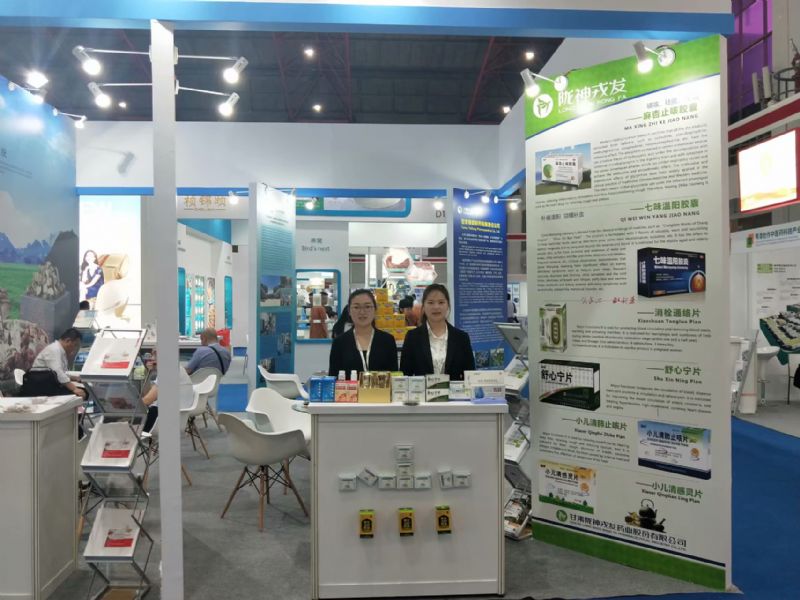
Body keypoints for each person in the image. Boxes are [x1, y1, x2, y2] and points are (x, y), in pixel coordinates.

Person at [400, 283, 475, 381]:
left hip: (454, 391)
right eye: (430, 302)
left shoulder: (461, 338)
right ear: (424, 306)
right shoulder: (412, 337)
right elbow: (404, 376)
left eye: (441, 302)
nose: (436, 307)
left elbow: (470, 376)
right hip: (422, 391)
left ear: (448, 305)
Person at [328, 289, 397, 376]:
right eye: (356, 307)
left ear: (375, 309)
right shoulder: (339, 342)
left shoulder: (387, 340)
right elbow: (333, 377)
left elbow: (394, 376)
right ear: (349, 311)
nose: (362, 312)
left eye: (367, 307)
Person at [141, 354, 195, 433]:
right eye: (152, 354)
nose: (152, 358)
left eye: (156, 354)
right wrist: (149, 372)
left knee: (132, 418)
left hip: (167, 418)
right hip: (179, 415)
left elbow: (148, 400)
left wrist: (129, 408)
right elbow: (150, 394)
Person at [30, 328, 87, 399]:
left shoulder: (60, 351)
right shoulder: (54, 350)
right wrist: (74, 389)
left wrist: (74, 378)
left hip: (49, 383)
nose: (75, 349)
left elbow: (60, 373)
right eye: (75, 345)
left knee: (84, 389)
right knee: (83, 392)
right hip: (42, 386)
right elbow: (57, 372)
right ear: (68, 341)